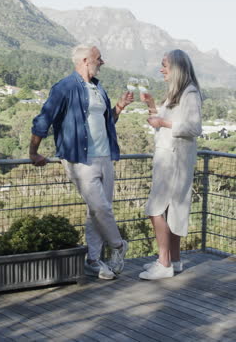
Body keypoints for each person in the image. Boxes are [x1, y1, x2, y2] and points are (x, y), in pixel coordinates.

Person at [29, 44, 134, 280]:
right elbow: (43, 120)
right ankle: (118, 246)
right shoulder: (64, 87)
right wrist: (33, 152)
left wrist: (119, 106)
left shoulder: (98, 87)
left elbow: (107, 122)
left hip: (105, 157)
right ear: (86, 60)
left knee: (94, 212)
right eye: (99, 58)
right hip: (79, 159)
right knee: (100, 208)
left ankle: (93, 261)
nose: (102, 62)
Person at [139, 49, 202, 280]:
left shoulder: (190, 93)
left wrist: (163, 121)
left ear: (176, 68)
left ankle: (163, 263)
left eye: (164, 65)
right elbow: (164, 124)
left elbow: (194, 128)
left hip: (174, 163)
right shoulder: (175, 93)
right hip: (168, 159)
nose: (161, 69)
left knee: (155, 210)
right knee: (171, 211)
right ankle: (174, 261)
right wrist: (153, 106)